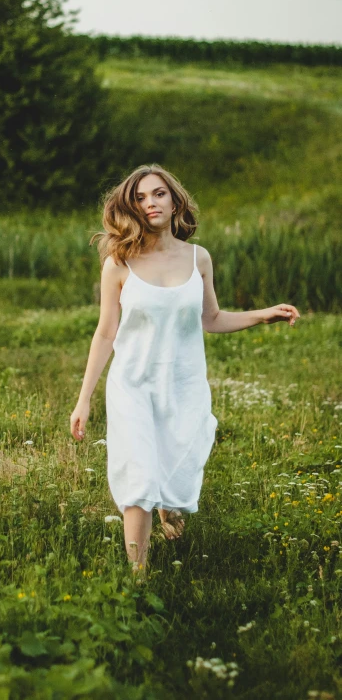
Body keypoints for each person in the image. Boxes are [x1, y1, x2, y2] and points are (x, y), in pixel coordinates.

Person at [69, 163, 301, 581]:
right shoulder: (119, 263)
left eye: (158, 194)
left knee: (176, 466)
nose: (150, 203)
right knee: (139, 475)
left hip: (182, 385)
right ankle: (137, 580)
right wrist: (84, 398)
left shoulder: (199, 258)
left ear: (174, 200)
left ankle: (168, 505)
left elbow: (210, 318)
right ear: (131, 207)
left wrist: (263, 315)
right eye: (140, 198)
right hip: (133, 385)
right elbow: (106, 333)